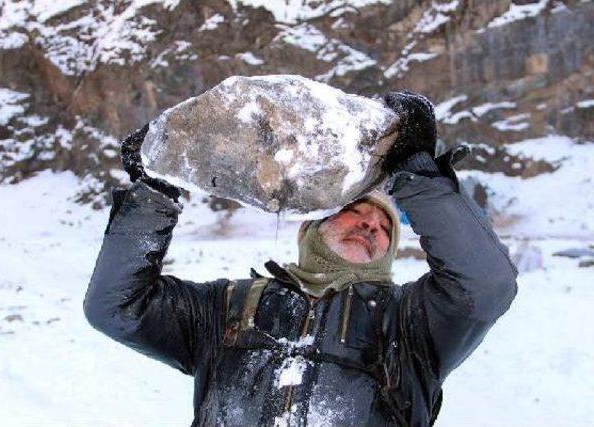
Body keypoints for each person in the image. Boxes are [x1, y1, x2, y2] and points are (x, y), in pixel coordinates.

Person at [83, 92, 518, 426]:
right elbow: (116, 306)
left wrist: (417, 176)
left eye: (385, 228)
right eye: (356, 212)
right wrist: (153, 194)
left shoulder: (411, 323)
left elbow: (486, 284)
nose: (371, 225)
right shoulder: (227, 308)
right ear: (309, 229)